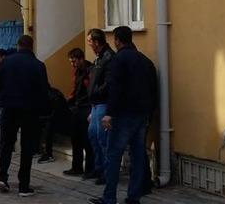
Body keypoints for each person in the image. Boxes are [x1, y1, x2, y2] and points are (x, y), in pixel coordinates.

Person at [88, 26, 157, 204]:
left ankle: (109, 197)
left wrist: (109, 113)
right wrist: (150, 112)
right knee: (138, 155)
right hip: (141, 115)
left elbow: (115, 88)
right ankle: (134, 196)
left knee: (113, 155)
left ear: (117, 40)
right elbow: (153, 88)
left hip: (123, 114)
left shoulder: (118, 60)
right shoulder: (145, 60)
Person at [0, 35, 50, 197]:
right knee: (27, 148)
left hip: (9, 108)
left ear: (18, 46)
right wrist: (44, 111)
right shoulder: (38, 65)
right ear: (32, 46)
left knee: (6, 143)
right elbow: (43, 90)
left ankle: (3, 177)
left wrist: (1, 99)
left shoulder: (7, 62)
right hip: (30, 110)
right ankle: (23, 186)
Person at [87, 29, 115, 185]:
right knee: (93, 135)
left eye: (90, 41)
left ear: (96, 42)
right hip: (96, 104)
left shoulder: (108, 57)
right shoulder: (99, 58)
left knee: (102, 138)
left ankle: (106, 171)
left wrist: (97, 92)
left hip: (103, 102)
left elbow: (109, 82)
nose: (89, 44)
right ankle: (98, 168)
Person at [65, 47, 95, 178]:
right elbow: (75, 89)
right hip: (77, 107)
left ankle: (89, 169)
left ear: (81, 59)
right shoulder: (77, 71)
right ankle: (76, 167)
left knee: (87, 141)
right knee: (75, 139)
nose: (72, 64)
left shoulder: (90, 70)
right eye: (71, 62)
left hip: (86, 108)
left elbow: (90, 90)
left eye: (74, 61)